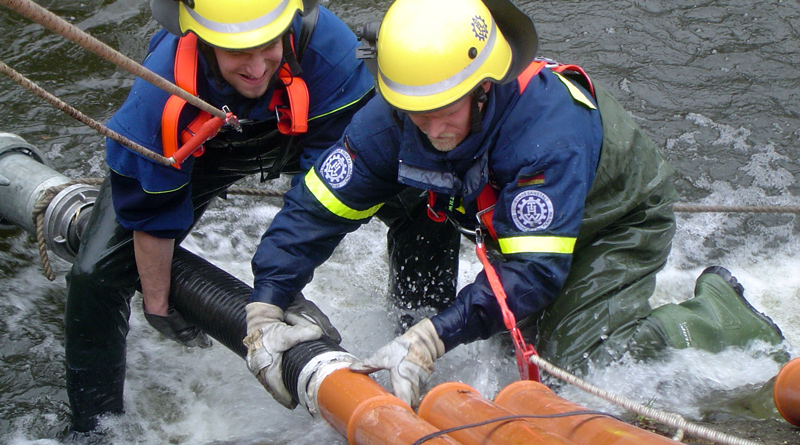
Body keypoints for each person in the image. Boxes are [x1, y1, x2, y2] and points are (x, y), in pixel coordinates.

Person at [242, 0, 788, 411]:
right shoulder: (397, 114)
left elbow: (532, 271)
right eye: (416, 113)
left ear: (484, 86)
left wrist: (434, 334)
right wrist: (268, 299)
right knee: (505, 357)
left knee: (576, 371)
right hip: (510, 224)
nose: (432, 130)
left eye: (445, 110)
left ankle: (723, 309)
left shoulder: (546, 129)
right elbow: (318, 204)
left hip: (614, 221)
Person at [63, 0, 398, 432]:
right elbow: (150, 206)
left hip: (307, 129)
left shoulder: (330, 53)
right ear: (204, 43)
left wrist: (280, 286)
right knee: (95, 277)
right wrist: (158, 300)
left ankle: (419, 324)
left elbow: (333, 185)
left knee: (420, 200)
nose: (257, 66)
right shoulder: (159, 90)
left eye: (268, 46)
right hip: (200, 149)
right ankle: (93, 430)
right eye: (239, 51)